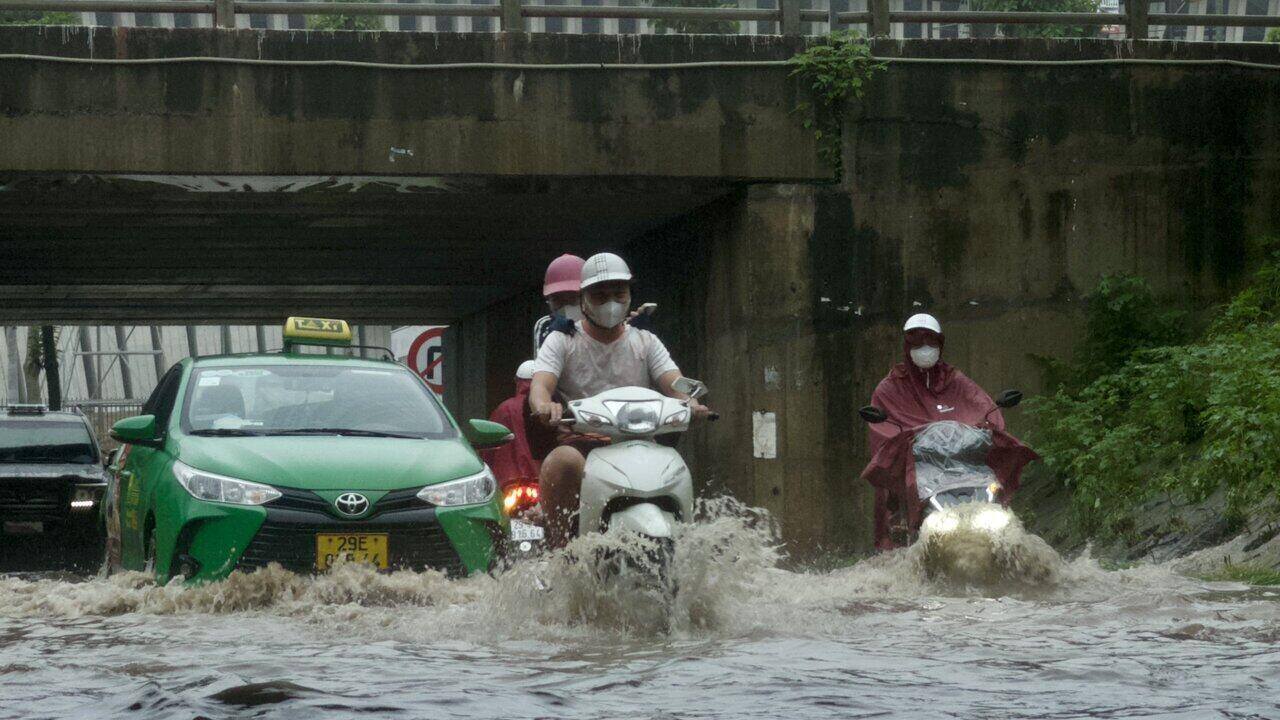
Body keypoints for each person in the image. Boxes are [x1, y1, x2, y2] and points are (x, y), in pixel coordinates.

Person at [528, 252, 710, 548]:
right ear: (583, 300)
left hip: (642, 441)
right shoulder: (562, 340)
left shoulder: (645, 341)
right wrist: (544, 405)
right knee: (561, 462)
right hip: (583, 441)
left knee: (676, 468)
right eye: (599, 295)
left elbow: (674, 382)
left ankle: (685, 547)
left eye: (618, 293)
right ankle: (561, 551)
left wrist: (690, 403)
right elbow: (540, 386)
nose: (610, 302)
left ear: (629, 295)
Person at [865, 313, 1005, 550]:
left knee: (996, 492)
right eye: (918, 343)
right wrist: (905, 441)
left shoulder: (954, 380)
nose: (925, 349)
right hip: (918, 467)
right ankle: (901, 545)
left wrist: (989, 424)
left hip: (964, 465)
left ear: (940, 345)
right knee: (895, 497)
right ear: (907, 347)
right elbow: (882, 431)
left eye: (931, 343)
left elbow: (982, 406)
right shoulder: (891, 387)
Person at [480, 361, 556, 498]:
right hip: (543, 479)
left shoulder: (505, 408)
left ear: (517, 382)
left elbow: (488, 448)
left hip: (508, 483)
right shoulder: (551, 410)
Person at [533, 254, 585, 354]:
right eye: (557, 299)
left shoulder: (600, 322)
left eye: (572, 298)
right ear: (549, 301)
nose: (566, 306)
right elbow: (544, 361)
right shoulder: (546, 324)